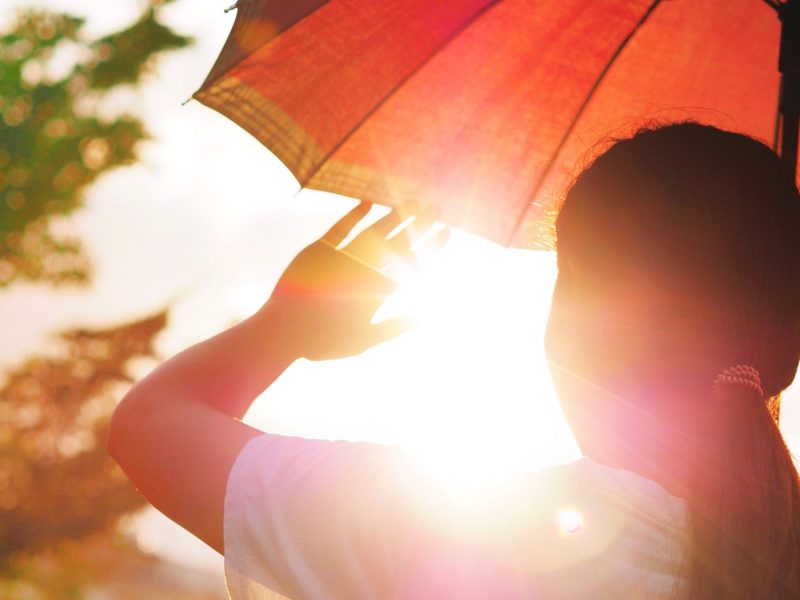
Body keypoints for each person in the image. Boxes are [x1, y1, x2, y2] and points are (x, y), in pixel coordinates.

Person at [107, 122, 800, 599]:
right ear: (781, 350)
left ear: (583, 328)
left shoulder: (473, 534)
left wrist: (280, 329)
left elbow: (150, 426)